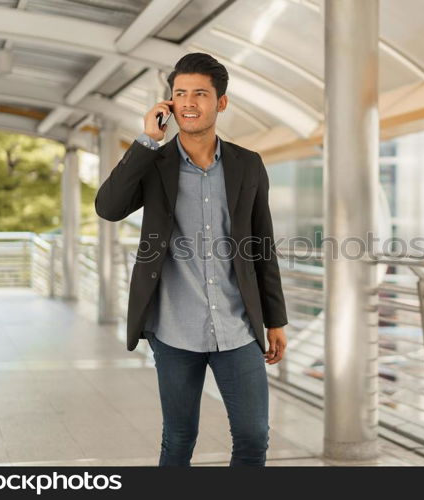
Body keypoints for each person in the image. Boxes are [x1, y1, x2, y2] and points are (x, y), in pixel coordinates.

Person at [94, 52, 288, 466]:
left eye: (200, 93)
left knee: (254, 437)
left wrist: (276, 319)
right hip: (174, 328)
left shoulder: (247, 164)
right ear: (169, 102)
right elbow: (108, 208)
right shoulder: (153, 162)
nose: (188, 102)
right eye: (180, 93)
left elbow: (261, 245)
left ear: (221, 102)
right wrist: (147, 141)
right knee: (179, 439)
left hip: (237, 327)